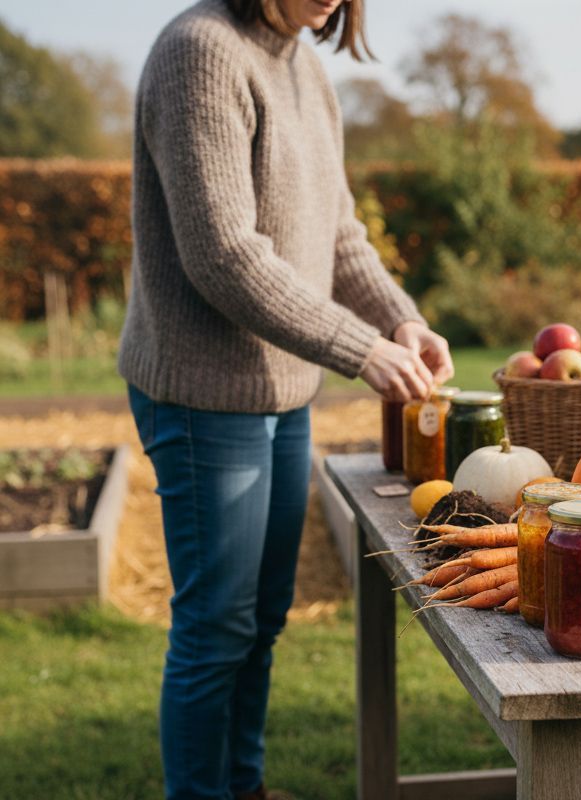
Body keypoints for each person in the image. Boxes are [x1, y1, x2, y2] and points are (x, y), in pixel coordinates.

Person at [117, 1, 452, 797]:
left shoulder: (304, 63)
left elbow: (339, 237)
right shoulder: (199, 53)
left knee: (261, 621)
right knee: (215, 629)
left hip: (282, 393)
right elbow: (223, 255)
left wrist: (401, 320)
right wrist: (358, 347)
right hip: (203, 396)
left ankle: (246, 784)